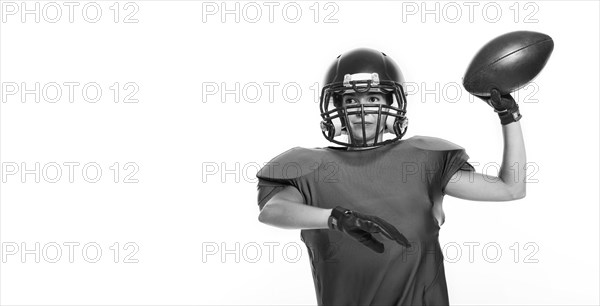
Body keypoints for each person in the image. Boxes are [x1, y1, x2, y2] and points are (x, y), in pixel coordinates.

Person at [255, 48, 526, 305]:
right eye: (351, 100)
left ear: (390, 104)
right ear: (337, 108)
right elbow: (272, 211)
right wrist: (336, 218)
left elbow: (510, 188)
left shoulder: (425, 158)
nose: (362, 110)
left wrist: (508, 116)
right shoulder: (307, 166)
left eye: (373, 99)